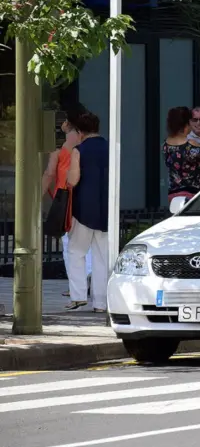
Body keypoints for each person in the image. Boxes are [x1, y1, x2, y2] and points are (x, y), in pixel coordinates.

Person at [42, 116, 94, 303]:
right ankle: (89, 279)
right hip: (82, 196)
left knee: (69, 244)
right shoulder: (83, 145)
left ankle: (76, 287)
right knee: (87, 242)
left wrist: (36, 197)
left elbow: (49, 173)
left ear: (67, 124)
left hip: (64, 198)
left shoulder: (60, 149)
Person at [65, 110, 109, 313]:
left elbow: (73, 180)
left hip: (83, 209)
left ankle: (78, 296)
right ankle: (100, 303)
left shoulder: (79, 150)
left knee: (76, 251)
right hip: (106, 208)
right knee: (102, 257)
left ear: (80, 131)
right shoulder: (111, 147)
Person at [164, 106, 200, 203]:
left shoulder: (166, 144)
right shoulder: (192, 145)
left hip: (173, 194)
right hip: (193, 194)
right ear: (186, 124)